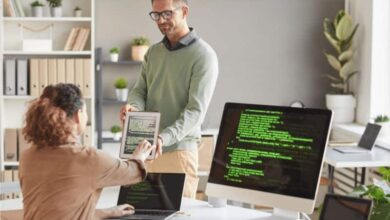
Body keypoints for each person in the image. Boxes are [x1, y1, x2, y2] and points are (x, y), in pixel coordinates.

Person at [120, 0, 219, 198]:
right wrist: (134, 109)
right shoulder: (153, 52)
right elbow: (140, 90)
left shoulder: (204, 55)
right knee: (140, 214)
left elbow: (195, 111)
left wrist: (162, 138)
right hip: (145, 151)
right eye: (156, 15)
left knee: (178, 216)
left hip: (178, 152)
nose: (161, 21)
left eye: (167, 14)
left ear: (184, 11)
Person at [16, 84, 155, 220]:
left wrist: (104, 213)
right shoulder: (88, 158)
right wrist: (140, 156)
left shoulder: (27, 157)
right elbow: (133, 173)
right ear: (78, 115)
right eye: (85, 111)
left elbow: (56, 209)